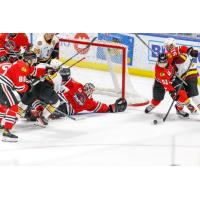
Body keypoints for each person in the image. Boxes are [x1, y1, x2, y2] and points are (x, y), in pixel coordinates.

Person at [0, 51, 37, 142]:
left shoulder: (17, 63)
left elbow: (28, 72)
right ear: (28, 60)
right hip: (3, 84)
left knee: (3, 106)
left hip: (2, 82)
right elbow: (20, 88)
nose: (33, 61)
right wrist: (28, 86)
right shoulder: (21, 67)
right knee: (13, 107)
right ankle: (6, 132)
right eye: (32, 59)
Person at [18, 59, 63, 127]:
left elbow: (31, 72)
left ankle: (9, 119)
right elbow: (57, 91)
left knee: (24, 104)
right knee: (56, 102)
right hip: (45, 91)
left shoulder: (41, 65)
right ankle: (43, 117)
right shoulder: (58, 76)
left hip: (32, 88)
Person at [145, 53, 190, 118]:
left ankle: (179, 109)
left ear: (167, 60)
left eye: (164, 63)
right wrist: (172, 93)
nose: (162, 65)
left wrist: (188, 50)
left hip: (173, 80)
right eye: (160, 64)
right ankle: (152, 105)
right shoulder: (160, 72)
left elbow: (176, 50)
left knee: (183, 95)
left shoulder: (169, 57)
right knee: (157, 100)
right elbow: (167, 84)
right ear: (157, 62)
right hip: (160, 84)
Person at [164, 37, 199, 114]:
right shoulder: (169, 56)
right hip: (183, 78)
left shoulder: (179, 51)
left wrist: (191, 51)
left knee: (194, 96)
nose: (168, 48)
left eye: (169, 46)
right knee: (184, 96)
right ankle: (179, 107)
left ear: (173, 45)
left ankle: (180, 107)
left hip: (191, 74)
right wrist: (167, 63)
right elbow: (170, 70)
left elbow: (181, 58)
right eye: (166, 47)